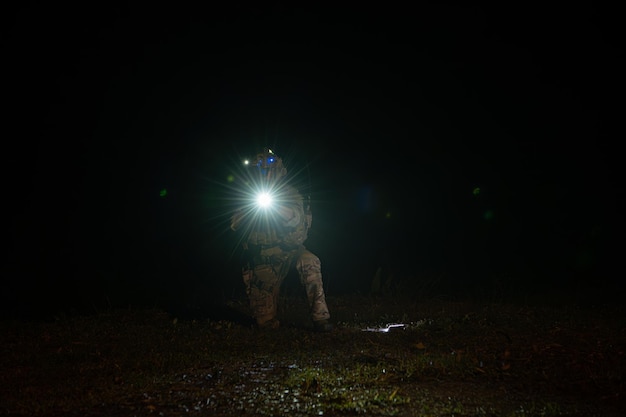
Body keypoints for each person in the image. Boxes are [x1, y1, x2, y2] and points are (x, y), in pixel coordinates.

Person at [230, 148, 332, 332]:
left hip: (291, 251)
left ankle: (321, 319)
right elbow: (234, 225)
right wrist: (250, 209)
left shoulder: (289, 192)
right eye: (261, 170)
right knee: (264, 323)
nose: (266, 174)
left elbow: (296, 217)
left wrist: (274, 207)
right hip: (264, 260)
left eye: (270, 170)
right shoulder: (245, 195)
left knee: (310, 261)